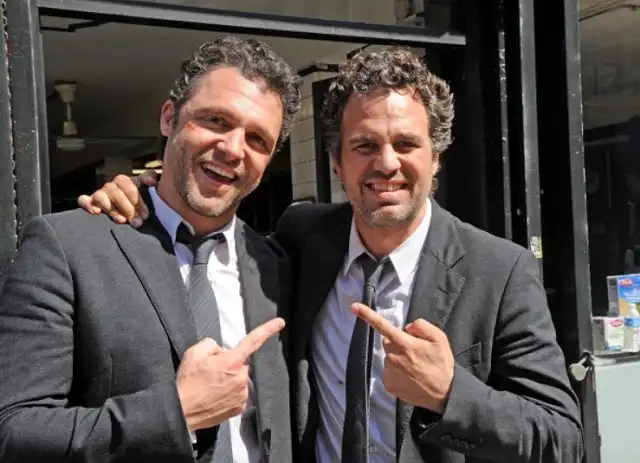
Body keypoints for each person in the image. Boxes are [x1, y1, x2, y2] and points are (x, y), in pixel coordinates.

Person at [77, 47, 584, 462]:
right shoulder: (302, 239)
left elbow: (561, 439)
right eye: (364, 146)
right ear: (337, 163)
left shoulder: (498, 270)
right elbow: (195, 218)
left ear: (435, 159)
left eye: (407, 144)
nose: (387, 163)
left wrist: (449, 394)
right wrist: (144, 194)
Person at [0, 36, 301, 462]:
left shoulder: (278, 267)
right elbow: (14, 432)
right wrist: (176, 413)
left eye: (257, 139)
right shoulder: (67, 247)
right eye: (216, 120)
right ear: (168, 118)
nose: (233, 149)